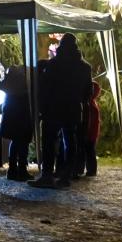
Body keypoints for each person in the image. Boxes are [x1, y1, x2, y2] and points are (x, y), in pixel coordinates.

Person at [29, 33, 91, 189]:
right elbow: (87, 93)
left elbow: (44, 88)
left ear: (61, 46)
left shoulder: (53, 65)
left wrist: (41, 108)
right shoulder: (84, 67)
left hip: (53, 109)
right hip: (73, 110)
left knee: (49, 143)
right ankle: (66, 176)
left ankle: (47, 175)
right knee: (70, 142)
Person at [0, 64, 33, 181]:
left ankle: (12, 170)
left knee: (15, 142)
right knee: (23, 143)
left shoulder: (10, 86)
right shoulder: (24, 85)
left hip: (12, 115)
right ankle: (22, 170)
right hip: (22, 116)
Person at [75, 79, 102, 178]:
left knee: (87, 151)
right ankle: (88, 169)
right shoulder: (92, 103)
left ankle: (86, 169)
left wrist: (85, 132)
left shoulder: (89, 105)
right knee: (89, 151)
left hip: (89, 133)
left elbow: (90, 121)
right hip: (91, 133)